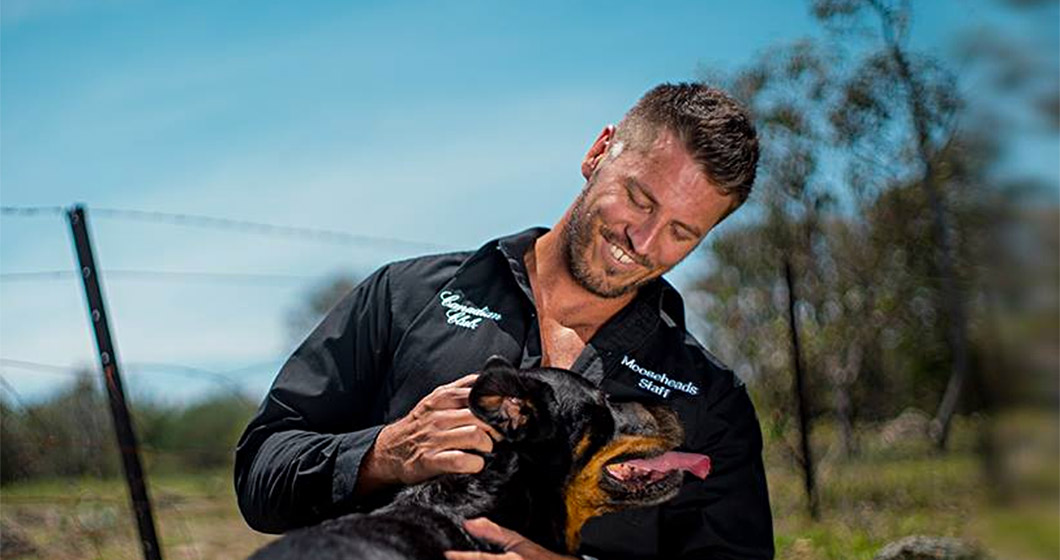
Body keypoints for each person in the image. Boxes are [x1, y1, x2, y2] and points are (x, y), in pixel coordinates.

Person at [235, 82, 774, 560]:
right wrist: (381, 454)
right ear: (598, 152)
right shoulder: (407, 295)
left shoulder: (710, 400)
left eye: (682, 232)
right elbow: (261, 471)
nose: (644, 241)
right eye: (638, 199)